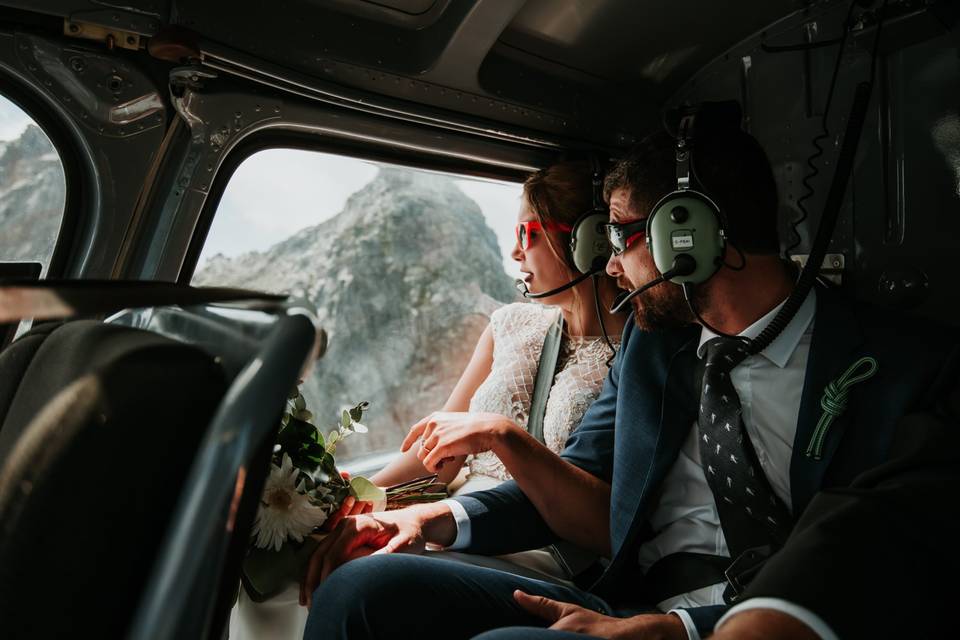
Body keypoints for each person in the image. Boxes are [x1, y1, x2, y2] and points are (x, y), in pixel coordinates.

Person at [298, 109, 958, 640]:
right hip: (627, 601)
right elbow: (583, 494)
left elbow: (878, 563)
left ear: (689, 233)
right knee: (359, 591)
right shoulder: (654, 346)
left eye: (621, 239)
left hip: (755, 621)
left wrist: (683, 629)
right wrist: (437, 518)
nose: (611, 268)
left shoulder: (906, 367)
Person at [231, 160, 624, 639]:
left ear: (588, 241)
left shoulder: (633, 358)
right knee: (306, 566)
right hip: (452, 516)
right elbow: (436, 448)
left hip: (545, 549)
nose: (515, 251)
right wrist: (352, 501)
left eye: (528, 233)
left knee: (354, 580)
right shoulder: (509, 325)